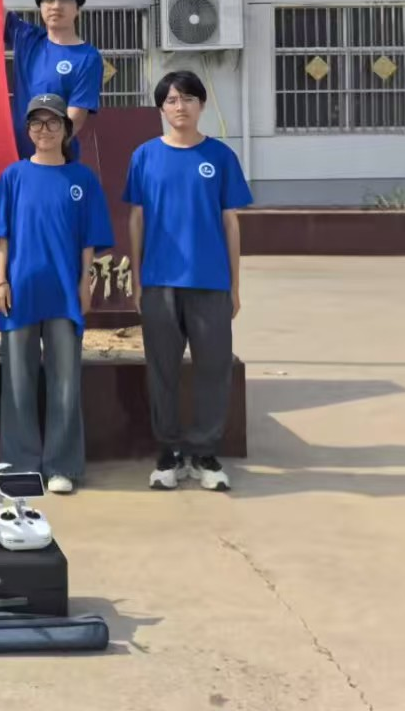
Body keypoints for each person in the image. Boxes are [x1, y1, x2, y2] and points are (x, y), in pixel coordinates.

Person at [125, 69, 252, 493]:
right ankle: (168, 453)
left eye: (188, 99)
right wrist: (138, 279)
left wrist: (234, 285)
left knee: (214, 368)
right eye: (172, 100)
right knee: (161, 370)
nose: (180, 107)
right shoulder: (145, 156)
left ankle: (204, 453)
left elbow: (230, 223)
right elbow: (137, 219)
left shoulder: (220, 157)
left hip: (210, 281)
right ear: (162, 108)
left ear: (202, 105)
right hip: (160, 281)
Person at [0, 92, 112, 493]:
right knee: (18, 381)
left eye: (53, 122)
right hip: (20, 290)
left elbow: (89, 239)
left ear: (66, 129)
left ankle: (62, 466)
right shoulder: (13, 177)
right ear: (28, 131)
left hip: (64, 292)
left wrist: (85, 282)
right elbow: (2, 235)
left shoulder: (82, 180)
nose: (45, 130)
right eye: (37, 123)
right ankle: (20, 463)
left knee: (64, 380)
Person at [4, 0, 103, 160]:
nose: (56, 6)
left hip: (57, 159)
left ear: (78, 9)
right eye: (49, 0)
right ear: (41, 6)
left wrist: (45, 155)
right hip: (15, 155)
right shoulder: (28, 39)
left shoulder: (87, 58)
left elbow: (75, 118)